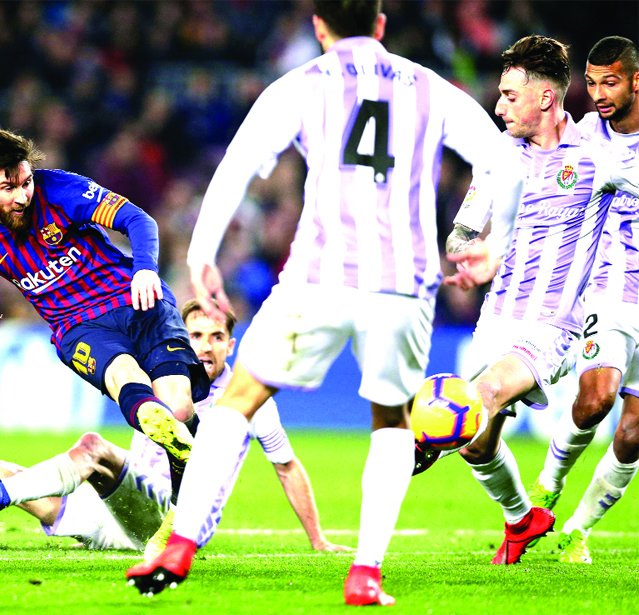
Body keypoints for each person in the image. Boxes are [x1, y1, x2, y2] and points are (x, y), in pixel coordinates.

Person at [125, 0, 519, 606]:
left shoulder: (300, 85)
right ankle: (365, 573)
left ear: (319, 27)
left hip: (317, 277)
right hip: (404, 286)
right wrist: (496, 247)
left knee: (236, 400)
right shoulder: (429, 87)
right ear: (381, 25)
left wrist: (203, 252)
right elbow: (504, 161)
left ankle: (180, 543)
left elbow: (235, 168)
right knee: (392, 421)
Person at [0, 128, 210, 552]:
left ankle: (177, 487)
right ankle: (167, 464)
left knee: (177, 407)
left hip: (137, 297)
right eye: (8, 187)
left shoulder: (63, 190)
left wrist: (144, 267)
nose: (22, 196)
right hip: (79, 326)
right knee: (123, 374)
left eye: (26, 182)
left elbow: (137, 220)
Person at [0, 301, 349, 555]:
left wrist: (319, 541)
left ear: (232, 344)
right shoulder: (163, 374)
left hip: (169, 523)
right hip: (115, 513)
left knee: (92, 449)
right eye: (194, 334)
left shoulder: (249, 400)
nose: (205, 346)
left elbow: (286, 465)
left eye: (217, 336)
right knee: (5, 474)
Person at [434, 34, 639, 568]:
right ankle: (522, 518)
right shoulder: (498, 158)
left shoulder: (597, 156)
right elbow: (460, 233)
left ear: (545, 99)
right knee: (476, 445)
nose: (499, 106)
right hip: (495, 318)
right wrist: (474, 251)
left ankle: (418, 444)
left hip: (553, 324)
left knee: (480, 395)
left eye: (509, 95)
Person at [526, 36, 639, 564]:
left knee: (634, 435)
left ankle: (577, 531)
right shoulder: (586, 136)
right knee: (595, 399)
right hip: (611, 285)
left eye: (609, 82)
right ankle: (546, 489)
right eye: (591, 82)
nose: (597, 94)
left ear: (637, 81)